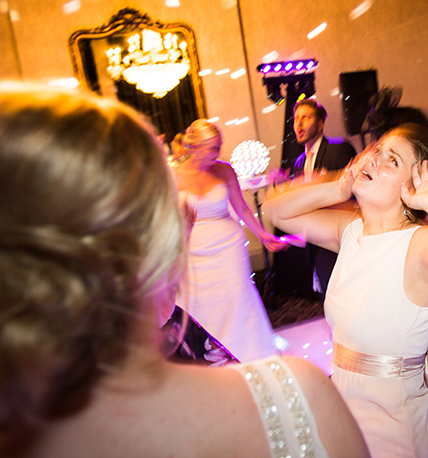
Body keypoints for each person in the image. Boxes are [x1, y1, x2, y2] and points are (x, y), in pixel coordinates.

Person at [0, 83, 370, 458]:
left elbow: (246, 211)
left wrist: (260, 234)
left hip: (225, 254)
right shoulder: (297, 399)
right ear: (163, 239)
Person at [262, 121, 428, 457]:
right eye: (375, 152)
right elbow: (274, 210)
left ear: (412, 186)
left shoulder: (421, 246)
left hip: (398, 429)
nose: (372, 160)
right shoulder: (351, 230)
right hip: (349, 412)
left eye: (392, 161)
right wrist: (338, 187)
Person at [172, 118, 290, 362]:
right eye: (213, 147)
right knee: (199, 303)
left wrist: (264, 236)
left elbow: (244, 209)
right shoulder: (175, 177)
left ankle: (251, 355)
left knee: (237, 298)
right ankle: (211, 357)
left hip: (228, 246)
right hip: (194, 251)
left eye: (219, 146)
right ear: (195, 147)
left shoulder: (225, 170)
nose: (218, 152)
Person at [290, 99, 357, 299]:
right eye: (296, 119)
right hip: (315, 243)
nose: (299, 124)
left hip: (340, 238)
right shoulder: (299, 162)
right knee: (328, 299)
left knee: (348, 297)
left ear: (320, 124)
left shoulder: (339, 149)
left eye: (306, 117)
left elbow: (355, 190)